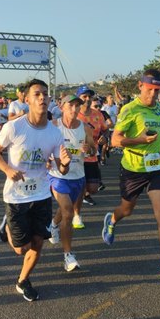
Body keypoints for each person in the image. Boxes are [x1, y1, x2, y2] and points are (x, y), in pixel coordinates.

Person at [102, 69, 160, 288]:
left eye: (157, 91)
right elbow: (115, 140)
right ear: (140, 86)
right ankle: (111, 220)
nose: (153, 95)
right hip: (132, 168)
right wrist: (138, 140)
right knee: (127, 209)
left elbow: (159, 135)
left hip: (155, 167)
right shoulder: (130, 109)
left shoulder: (159, 107)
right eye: (149, 89)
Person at [0, 79, 71, 302]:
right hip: (16, 196)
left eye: (45, 94)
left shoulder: (54, 133)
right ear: (27, 99)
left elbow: (60, 168)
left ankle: (23, 281)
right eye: (37, 94)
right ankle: (7, 224)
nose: (42, 97)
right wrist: (6, 169)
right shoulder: (14, 127)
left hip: (42, 194)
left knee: (37, 243)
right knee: (20, 249)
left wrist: (65, 163)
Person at [47, 94, 95, 271]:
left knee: (63, 209)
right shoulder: (53, 126)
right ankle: (68, 256)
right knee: (68, 212)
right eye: (71, 106)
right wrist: (46, 160)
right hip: (57, 175)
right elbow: (44, 148)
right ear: (62, 107)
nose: (74, 109)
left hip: (78, 176)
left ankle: (52, 224)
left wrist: (89, 149)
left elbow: (93, 150)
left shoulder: (85, 128)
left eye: (77, 106)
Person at [74, 85, 108, 228]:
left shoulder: (98, 114)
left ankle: (79, 198)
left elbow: (105, 131)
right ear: (78, 99)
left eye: (89, 97)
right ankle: (76, 215)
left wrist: (104, 138)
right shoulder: (74, 114)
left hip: (92, 156)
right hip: (76, 157)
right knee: (80, 187)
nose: (87, 99)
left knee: (92, 188)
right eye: (84, 97)